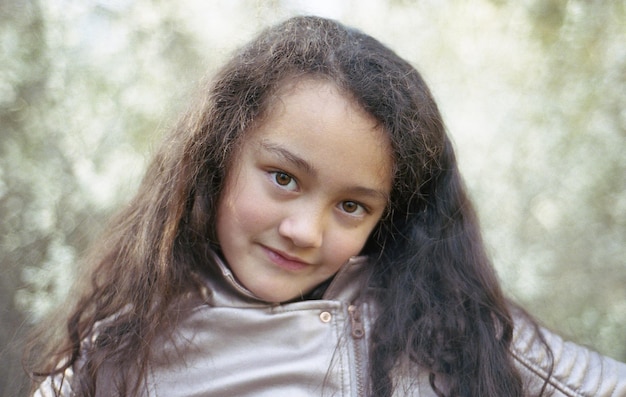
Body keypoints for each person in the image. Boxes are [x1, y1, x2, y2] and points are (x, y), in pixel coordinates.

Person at [25, 15, 626, 397]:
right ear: (217, 157)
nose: (304, 231)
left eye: (352, 207)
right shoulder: (112, 362)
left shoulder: (448, 328)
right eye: (284, 178)